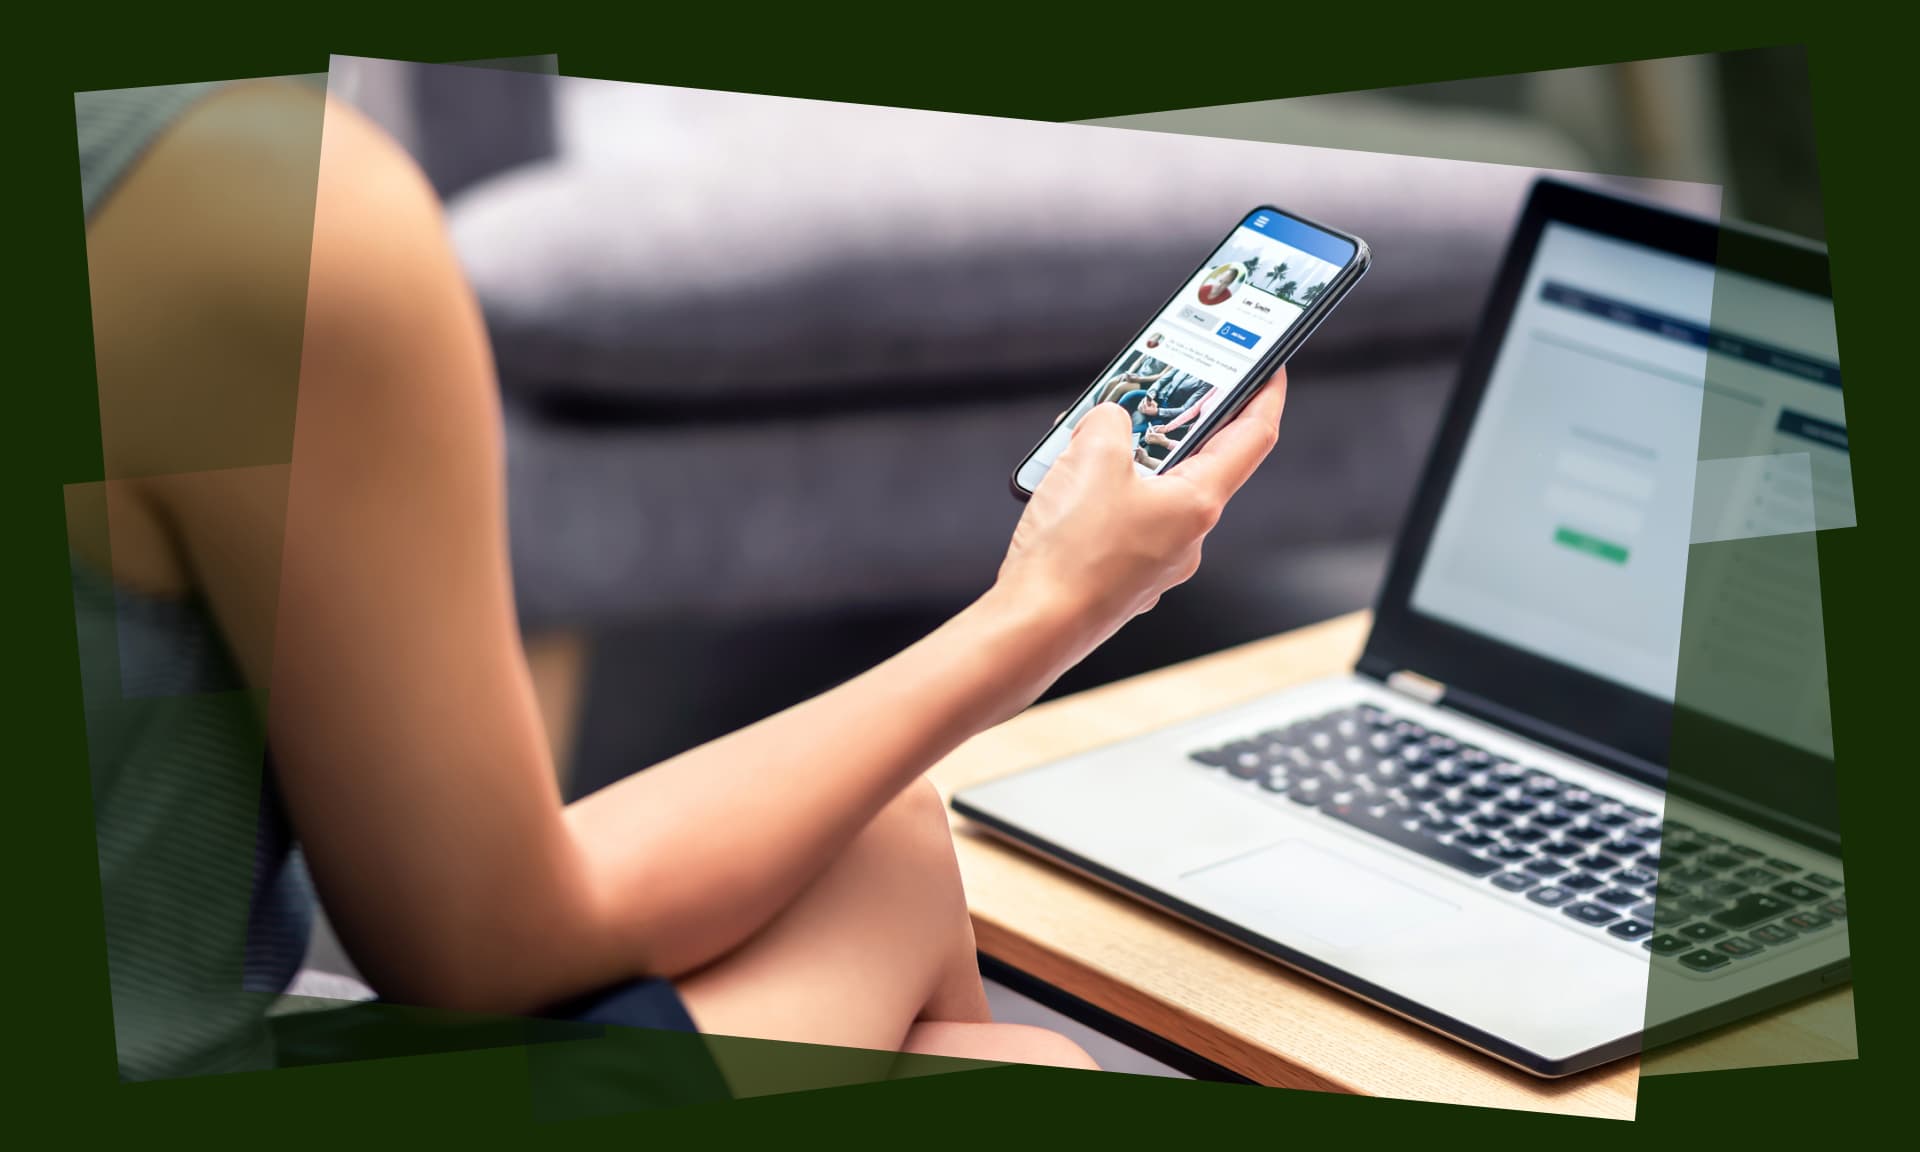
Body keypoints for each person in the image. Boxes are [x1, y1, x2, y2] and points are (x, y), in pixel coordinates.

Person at [74, 78, 1290, 1082]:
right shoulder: (256, 203)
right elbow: (478, 953)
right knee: (1026, 1056)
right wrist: (1047, 607)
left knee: (896, 847)